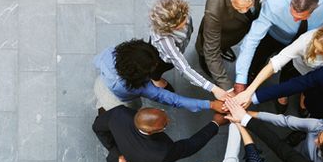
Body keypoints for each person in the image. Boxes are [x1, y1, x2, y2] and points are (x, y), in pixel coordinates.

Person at [233, 0, 323, 106]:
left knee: (293, 68)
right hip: (274, 37)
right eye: (293, 15)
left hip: (308, 42)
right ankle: (251, 76)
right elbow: (251, 40)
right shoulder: (274, 5)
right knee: (258, 58)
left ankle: (283, 92)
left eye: (301, 18)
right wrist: (241, 79)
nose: (295, 20)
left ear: (316, 7)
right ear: (291, 2)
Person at [233, 24, 323, 110]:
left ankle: (304, 95)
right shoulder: (305, 41)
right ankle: (284, 95)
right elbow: (275, 63)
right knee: (288, 81)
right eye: (315, 46)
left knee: (314, 91)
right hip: (300, 70)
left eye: (322, 50)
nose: (315, 52)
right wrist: (249, 91)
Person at [92, 105, 228, 162]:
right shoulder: (161, 152)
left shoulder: (119, 114)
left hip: (118, 159)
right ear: (152, 131)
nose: (168, 121)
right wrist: (215, 123)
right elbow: (190, 146)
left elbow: (97, 127)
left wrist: (118, 154)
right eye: (164, 125)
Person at [94, 39, 227, 113]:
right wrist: (210, 104)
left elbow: (96, 61)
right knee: (133, 108)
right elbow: (174, 99)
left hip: (101, 84)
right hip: (121, 101)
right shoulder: (142, 89)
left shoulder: (109, 54)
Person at [147, 0, 231, 100]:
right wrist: (213, 88)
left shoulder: (172, 0)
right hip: (162, 58)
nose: (185, 22)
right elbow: (184, 69)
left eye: (185, 17)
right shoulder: (164, 40)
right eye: (179, 26)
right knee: (158, 68)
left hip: (179, 45)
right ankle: (155, 79)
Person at [195, 0, 263, 91]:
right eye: (240, 7)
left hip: (236, 31)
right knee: (208, 52)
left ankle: (224, 48)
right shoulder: (214, 9)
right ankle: (204, 61)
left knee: (226, 43)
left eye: (249, 5)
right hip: (221, 32)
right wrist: (227, 87)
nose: (244, 11)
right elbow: (211, 52)